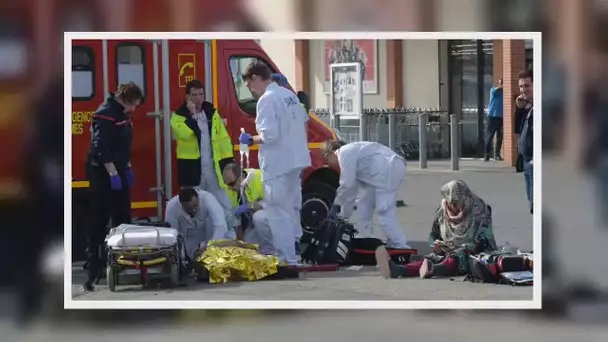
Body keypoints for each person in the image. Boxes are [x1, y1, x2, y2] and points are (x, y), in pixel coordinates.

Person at [238, 61, 311, 266]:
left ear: (255, 78)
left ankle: (284, 259)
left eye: (250, 85)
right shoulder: (290, 96)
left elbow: (269, 135)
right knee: (288, 212)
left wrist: (250, 139)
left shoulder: (267, 100)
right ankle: (292, 257)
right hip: (296, 162)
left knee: (277, 213)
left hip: (278, 164)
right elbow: (303, 124)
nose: (251, 90)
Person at [83, 82, 143, 291]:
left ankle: (121, 260)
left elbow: (123, 146)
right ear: (125, 99)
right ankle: (95, 265)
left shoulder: (122, 114)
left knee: (122, 214)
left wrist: (126, 168)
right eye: (133, 104)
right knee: (100, 216)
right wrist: (113, 173)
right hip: (102, 172)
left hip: (118, 169)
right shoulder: (105, 113)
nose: (134, 109)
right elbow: (101, 145)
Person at [375, 180, 497, 279]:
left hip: (474, 255)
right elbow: (434, 235)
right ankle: (399, 270)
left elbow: (484, 239)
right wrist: (436, 245)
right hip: (447, 250)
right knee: (430, 258)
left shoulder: (478, 209)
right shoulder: (443, 209)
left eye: (457, 203)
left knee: (457, 257)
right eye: (451, 203)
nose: (454, 207)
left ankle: (433, 270)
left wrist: (465, 247)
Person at [170, 80, 238, 231]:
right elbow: (187, 134)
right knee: (194, 205)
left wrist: (229, 162)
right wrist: (192, 114)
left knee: (223, 202)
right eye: (194, 95)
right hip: (192, 170)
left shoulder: (212, 113)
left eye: (201, 94)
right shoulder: (178, 117)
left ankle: (232, 234)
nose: (198, 98)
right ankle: (196, 239)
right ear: (187, 97)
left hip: (213, 168)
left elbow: (223, 138)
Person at [321, 140, 410, 248]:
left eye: (327, 159)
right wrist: (343, 216)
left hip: (386, 169)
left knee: (384, 213)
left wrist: (336, 205)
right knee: (364, 205)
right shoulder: (355, 154)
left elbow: (346, 185)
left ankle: (400, 245)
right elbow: (351, 194)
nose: (329, 164)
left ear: (330, 152)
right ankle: (364, 236)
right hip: (383, 169)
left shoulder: (343, 153)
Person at [269, 73, 306, 255]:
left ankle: (290, 245)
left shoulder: (276, 98)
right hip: (296, 159)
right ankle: (295, 241)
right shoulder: (292, 99)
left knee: (285, 206)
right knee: (293, 204)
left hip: (286, 161)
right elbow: (303, 128)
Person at [165, 187, 231, 260]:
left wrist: (210, 247)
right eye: (189, 208)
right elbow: (172, 236)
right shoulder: (172, 207)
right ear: (182, 204)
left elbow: (220, 226)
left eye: (195, 206)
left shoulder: (208, 199)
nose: (194, 210)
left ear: (198, 198)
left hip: (211, 236)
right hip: (190, 241)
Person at [222, 163, 273, 253]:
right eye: (227, 184)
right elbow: (236, 221)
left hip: (275, 216)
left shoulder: (260, 178)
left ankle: (272, 248)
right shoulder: (232, 189)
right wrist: (241, 243)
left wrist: (251, 206)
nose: (230, 188)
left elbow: (275, 204)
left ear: (241, 176)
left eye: (232, 183)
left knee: (259, 217)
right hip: (254, 224)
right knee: (248, 246)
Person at [514, 70, 534, 214]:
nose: (523, 90)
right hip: (526, 162)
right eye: (521, 86)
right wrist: (519, 109)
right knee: (531, 203)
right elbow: (517, 129)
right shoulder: (528, 106)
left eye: (527, 85)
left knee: (536, 205)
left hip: (535, 163)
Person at [484, 78, 504, 161]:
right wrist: (504, 85)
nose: (501, 85)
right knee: (490, 136)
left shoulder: (503, 93)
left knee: (500, 136)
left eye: (502, 83)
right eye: (500, 83)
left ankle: (497, 154)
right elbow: (498, 88)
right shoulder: (493, 90)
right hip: (492, 116)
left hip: (500, 117)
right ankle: (487, 154)